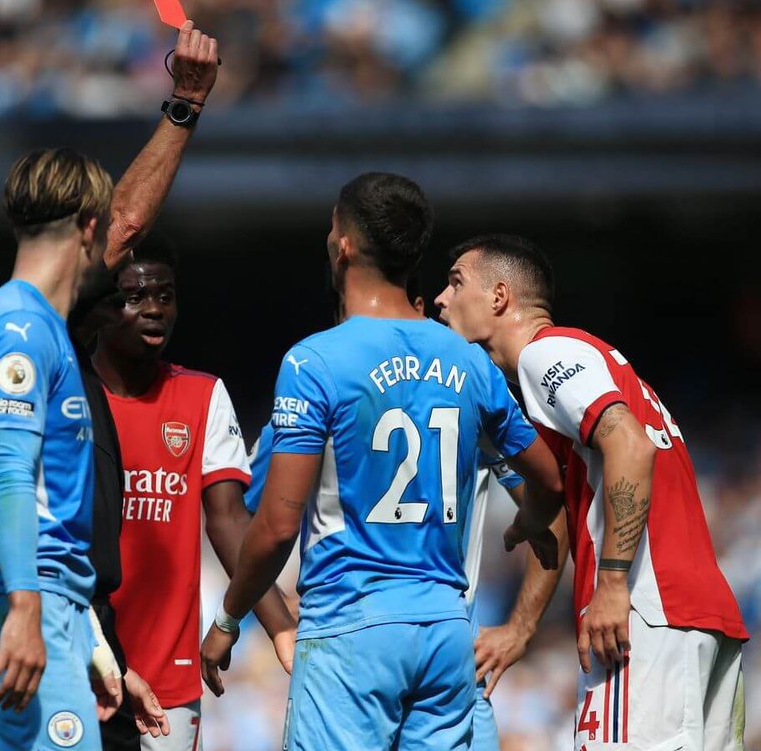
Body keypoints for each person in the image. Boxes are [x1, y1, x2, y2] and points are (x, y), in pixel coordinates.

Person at [0, 20, 220, 750]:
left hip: (54, 607)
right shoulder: (20, 331)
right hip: (25, 604)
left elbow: (37, 504)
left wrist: (92, 648)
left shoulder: (38, 328)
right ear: (89, 227)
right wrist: (26, 612)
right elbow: (8, 480)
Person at [199, 173, 564, 751]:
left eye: (331, 227)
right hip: (447, 632)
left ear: (343, 245)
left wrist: (227, 620)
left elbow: (275, 528)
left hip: (351, 628)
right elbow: (548, 478)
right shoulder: (467, 361)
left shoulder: (316, 362)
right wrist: (530, 522)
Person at [435, 234, 749, 751]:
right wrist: (520, 626)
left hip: (645, 612)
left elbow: (630, 444)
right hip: (698, 614)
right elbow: (568, 496)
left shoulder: (546, 353)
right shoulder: (589, 366)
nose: (442, 299)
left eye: (455, 282)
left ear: (499, 297)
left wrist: (613, 584)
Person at [77, 233, 295, 751]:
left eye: (165, 296)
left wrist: (280, 627)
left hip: (168, 683)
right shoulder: (67, 394)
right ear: (103, 305)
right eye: (135, 296)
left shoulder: (203, 396)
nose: (154, 309)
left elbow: (229, 520)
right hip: (81, 663)